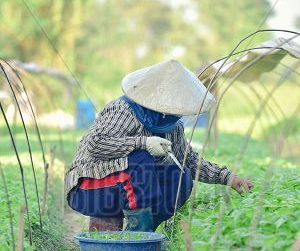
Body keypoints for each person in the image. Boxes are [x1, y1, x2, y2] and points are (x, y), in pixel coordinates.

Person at [65, 60, 253, 232]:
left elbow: (188, 160)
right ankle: (139, 236)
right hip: (90, 188)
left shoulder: (171, 124)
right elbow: (95, 144)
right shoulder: (123, 110)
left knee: (181, 175)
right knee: (141, 159)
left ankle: (143, 229)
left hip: (129, 189)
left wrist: (228, 177)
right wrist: (143, 143)